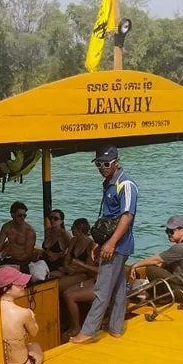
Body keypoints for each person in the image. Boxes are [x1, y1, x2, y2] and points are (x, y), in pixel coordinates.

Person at [70, 147, 138, 344]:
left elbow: (127, 216)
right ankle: (116, 328)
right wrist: (100, 242)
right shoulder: (109, 183)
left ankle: (88, 331)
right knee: (117, 288)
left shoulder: (125, 184)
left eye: (106, 164)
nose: (102, 168)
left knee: (101, 289)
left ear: (117, 161)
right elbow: (109, 217)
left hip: (117, 245)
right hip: (112, 243)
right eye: (98, 164)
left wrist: (111, 243)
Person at [128, 215, 183, 301]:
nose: (169, 234)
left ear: (182, 231)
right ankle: (148, 293)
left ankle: (157, 297)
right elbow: (162, 264)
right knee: (163, 267)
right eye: (167, 231)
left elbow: (156, 260)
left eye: (171, 231)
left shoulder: (182, 247)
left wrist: (135, 265)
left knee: (151, 270)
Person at [0, 267, 44, 364]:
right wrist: (32, 316)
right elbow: (34, 333)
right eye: (19, 285)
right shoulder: (23, 313)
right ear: (6, 290)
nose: (24, 286)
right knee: (35, 346)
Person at [0, 201, 37, 268]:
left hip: (23, 261)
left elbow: (27, 254)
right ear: (12, 215)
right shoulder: (7, 227)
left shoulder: (29, 231)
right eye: (19, 215)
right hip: (9, 259)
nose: (22, 218)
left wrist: (10, 262)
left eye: (24, 215)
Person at [41, 209, 71, 273]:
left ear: (61, 221)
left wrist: (59, 255)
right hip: (44, 261)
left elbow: (72, 250)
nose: (52, 220)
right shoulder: (48, 231)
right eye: (50, 218)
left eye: (56, 218)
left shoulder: (64, 234)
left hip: (57, 264)